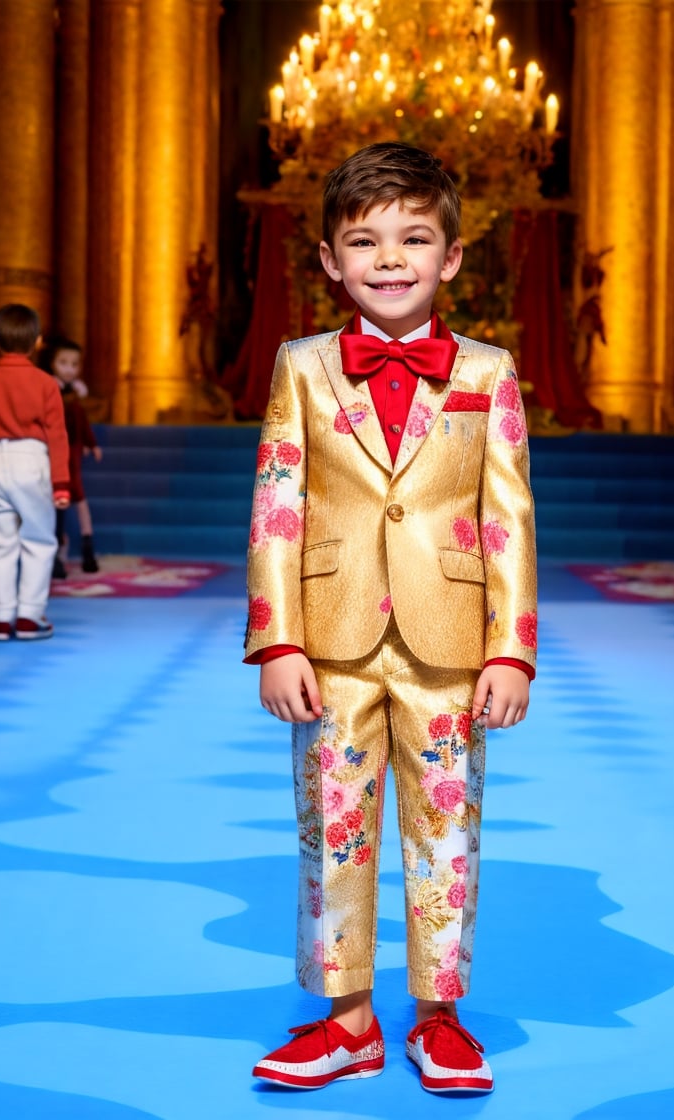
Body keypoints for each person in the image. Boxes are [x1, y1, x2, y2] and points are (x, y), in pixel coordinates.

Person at [244, 142, 537, 1095]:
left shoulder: (490, 374)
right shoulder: (299, 367)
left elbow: (509, 519)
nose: (391, 258)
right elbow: (278, 502)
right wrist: (276, 637)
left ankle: (440, 1017)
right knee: (333, 826)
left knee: (445, 829)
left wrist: (513, 651)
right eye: (364, 241)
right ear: (330, 259)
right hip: (328, 642)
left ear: (452, 255)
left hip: (450, 641)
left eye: (415, 238)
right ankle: (347, 1020)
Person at [0, 304, 70, 640]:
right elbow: (57, 435)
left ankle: (2, 617)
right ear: (38, 341)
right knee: (39, 539)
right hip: (30, 460)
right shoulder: (46, 383)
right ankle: (29, 616)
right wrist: (61, 483)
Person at [43, 336, 103, 576]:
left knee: (78, 498)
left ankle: (88, 545)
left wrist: (90, 443)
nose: (69, 369)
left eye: (74, 364)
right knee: (57, 501)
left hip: (74, 450)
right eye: (63, 362)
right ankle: (57, 552)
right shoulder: (48, 389)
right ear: (52, 363)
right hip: (55, 451)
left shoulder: (76, 394)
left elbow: (80, 420)